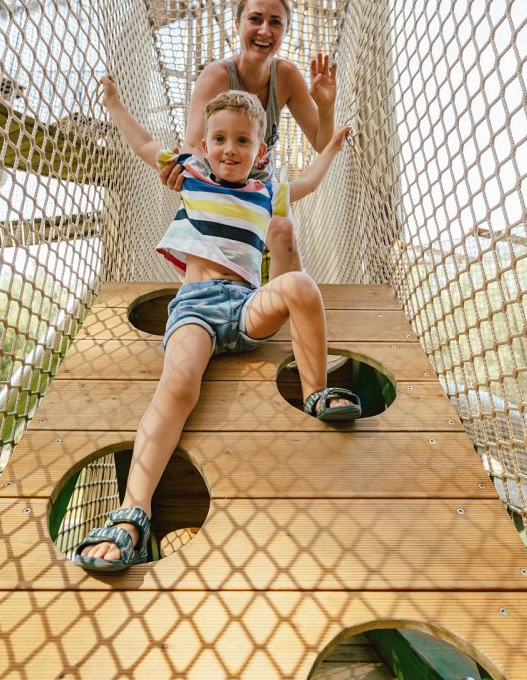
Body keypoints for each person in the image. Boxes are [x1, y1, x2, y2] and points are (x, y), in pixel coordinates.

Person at [71, 79, 358, 572]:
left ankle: (317, 392)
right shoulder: (191, 178)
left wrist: (330, 146)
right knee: (179, 387)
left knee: (302, 287)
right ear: (204, 146)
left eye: (242, 140)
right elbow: (143, 144)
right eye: (220, 139)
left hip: (245, 307)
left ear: (259, 150)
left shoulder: (269, 191)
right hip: (197, 307)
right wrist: (116, 105)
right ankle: (131, 515)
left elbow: (310, 180)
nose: (230, 149)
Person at [160, 0, 339, 283]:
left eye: (275, 22)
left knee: (284, 232)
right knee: (220, 265)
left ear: (284, 31)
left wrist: (326, 108)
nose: (265, 31)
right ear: (238, 24)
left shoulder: (286, 76)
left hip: (259, 188)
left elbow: (322, 143)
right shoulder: (217, 76)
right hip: (217, 182)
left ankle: (286, 303)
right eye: (255, 19)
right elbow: (193, 144)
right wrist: (182, 172)